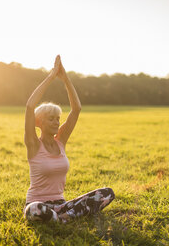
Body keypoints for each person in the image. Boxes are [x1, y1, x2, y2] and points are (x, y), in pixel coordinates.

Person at [24, 55, 115, 223]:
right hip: (39, 204)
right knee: (33, 210)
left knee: (107, 193)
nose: (56, 122)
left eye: (58, 118)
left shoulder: (61, 142)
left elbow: (76, 109)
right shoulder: (33, 144)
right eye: (51, 118)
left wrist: (65, 78)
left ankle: (61, 218)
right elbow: (30, 106)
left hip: (62, 205)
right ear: (39, 122)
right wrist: (51, 76)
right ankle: (65, 218)